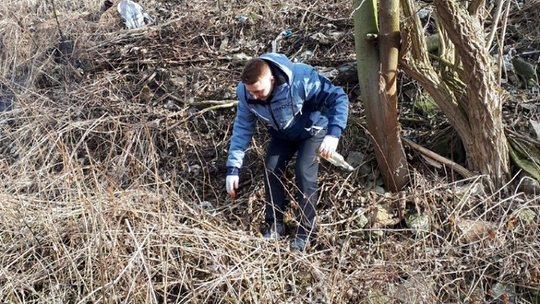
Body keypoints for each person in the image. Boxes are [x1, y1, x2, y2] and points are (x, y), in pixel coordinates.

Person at [225, 53, 349, 251]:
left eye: (258, 91)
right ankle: (275, 225)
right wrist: (233, 168)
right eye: (251, 93)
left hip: (313, 130)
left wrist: (334, 134)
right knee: (271, 168)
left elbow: (338, 97)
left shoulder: (300, 78)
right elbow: (242, 128)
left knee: (303, 170)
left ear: (271, 80)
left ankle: (306, 231)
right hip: (283, 134)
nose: (255, 96)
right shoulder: (246, 93)